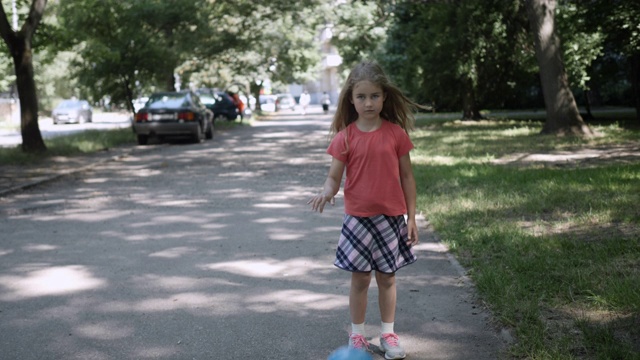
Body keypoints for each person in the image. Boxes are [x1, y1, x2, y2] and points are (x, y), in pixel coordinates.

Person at [307, 60, 424, 360]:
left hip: (390, 218)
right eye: (361, 97)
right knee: (360, 278)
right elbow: (334, 176)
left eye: (374, 96)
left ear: (384, 97)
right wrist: (327, 191)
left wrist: (412, 217)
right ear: (351, 99)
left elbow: (408, 177)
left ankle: (388, 333)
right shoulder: (345, 137)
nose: (368, 102)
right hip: (357, 219)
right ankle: (357, 335)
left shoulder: (395, 134)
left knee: (387, 277)